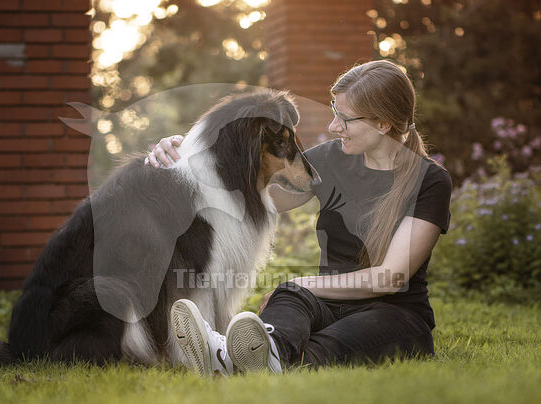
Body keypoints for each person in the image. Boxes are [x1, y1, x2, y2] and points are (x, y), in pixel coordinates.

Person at [146, 60, 452, 374]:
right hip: (328, 303)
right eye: (335, 111)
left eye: (345, 119)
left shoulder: (429, 180)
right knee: (290, 303)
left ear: (382, 124)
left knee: (324, 343)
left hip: (394, 315)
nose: (334, 126)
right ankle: (255, 354)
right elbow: (246, 196)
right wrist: (180, 157)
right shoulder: (332, 159)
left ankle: (228, 358)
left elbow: (391, 277)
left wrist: (301, 283)